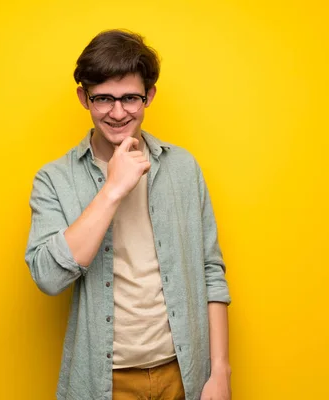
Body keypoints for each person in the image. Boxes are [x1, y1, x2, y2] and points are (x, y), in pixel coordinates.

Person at [25, 29, 231, 400]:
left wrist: (220, 371)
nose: (117, 113)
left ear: (148, 96)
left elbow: (210, 271)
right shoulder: (54, 180)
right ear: (83, 98)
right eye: (103, 98)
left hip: (185, 372)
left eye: (130, 98)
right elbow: (48, 277)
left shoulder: (183, 168)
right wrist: (113, 189)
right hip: (105, 381)